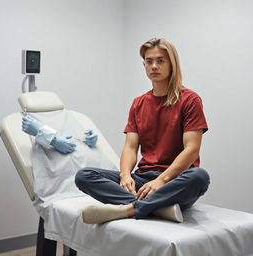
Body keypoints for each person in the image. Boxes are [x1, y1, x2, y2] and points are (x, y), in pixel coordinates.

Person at [74, 38, 210, 224]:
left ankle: (130, 209)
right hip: (143, 180)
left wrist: (161, 181)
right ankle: (159, 208)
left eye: (160, 60)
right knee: (84, 176)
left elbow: (191, 150)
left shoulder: (190, 100)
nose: (154, 66)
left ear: (172, 63)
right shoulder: (138, 104)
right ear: (144, 64)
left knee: (199, 177)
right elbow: (130, 147)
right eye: (149, 61)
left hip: (174, 180)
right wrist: (125, 175)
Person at [22, 115, 98, 152]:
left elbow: (82, 136)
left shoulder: (71, 116)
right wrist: (53, 141)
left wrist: (91, 139)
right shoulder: (29, 121)